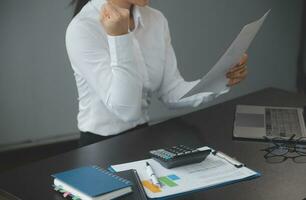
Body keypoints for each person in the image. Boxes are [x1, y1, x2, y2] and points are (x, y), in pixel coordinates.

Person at [67, 0, 248, 147]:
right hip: (98, 147)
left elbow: (172, 92)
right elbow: (126, 111)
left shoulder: (156, 19)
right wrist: (120, 37)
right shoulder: (83, 28)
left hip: (143, 136)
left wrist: (221, 79)